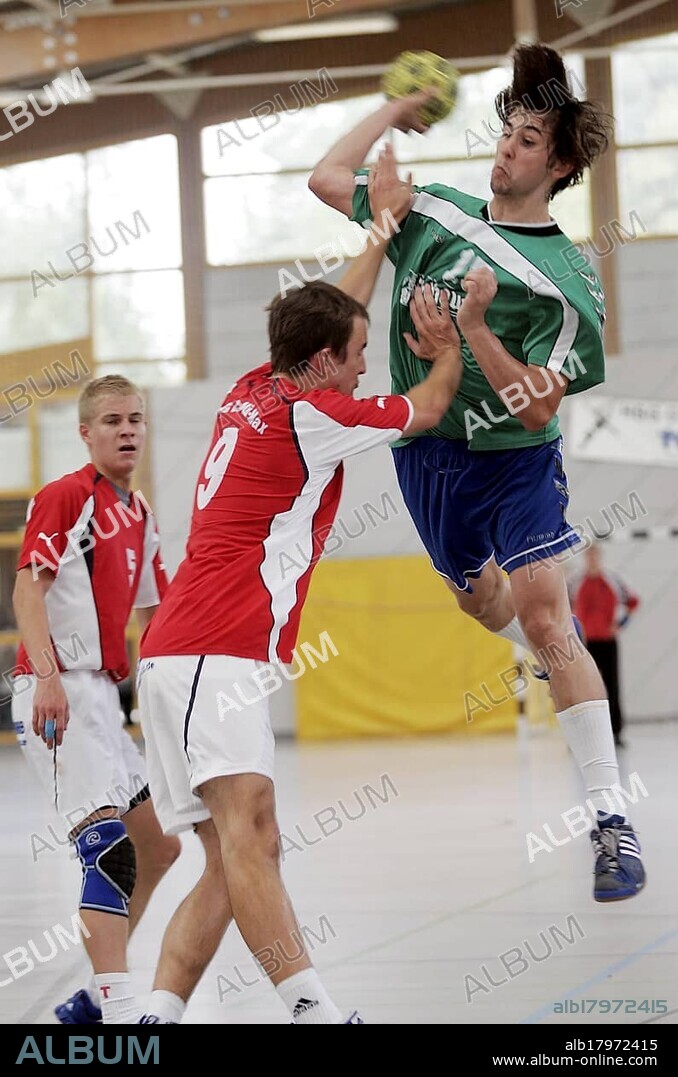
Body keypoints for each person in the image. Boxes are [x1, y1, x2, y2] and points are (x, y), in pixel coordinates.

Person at [308, 43, 646, 902]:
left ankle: (610, 818)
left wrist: (473, 339)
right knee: (476, 599)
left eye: (530, 140)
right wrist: (395, 112)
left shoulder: (569, 279)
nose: (508, 149)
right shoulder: (434, 211)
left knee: (545, 607)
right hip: (430, 456)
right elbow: (325, 175)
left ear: (560, 163)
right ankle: (539, 653)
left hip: (516, 463)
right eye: (508, 133)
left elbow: (538, 408)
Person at [134, 152, 462, 1025]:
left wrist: (382, 231)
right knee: (252, 840)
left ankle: (154, 1017)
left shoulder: (258, 386)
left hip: (186, 652)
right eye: (356, 357)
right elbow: (426, 407)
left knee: (234, 852)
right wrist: (450, 345)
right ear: (323, 362)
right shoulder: (317, 412)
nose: (364, 366)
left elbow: (335, 314)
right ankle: (315, 1010)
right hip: (216, 647)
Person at [11, 375, 181, 1024]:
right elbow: (28, 590)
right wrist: (48, 675)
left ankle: (88, 997)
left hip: (105, 701)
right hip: (55, 692)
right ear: (86, 433)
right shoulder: (64, 497)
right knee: (108, 848)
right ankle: (118, 1007)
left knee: (158, 846)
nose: (128, 429)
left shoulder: (139, 517)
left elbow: (153, 619)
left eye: (135, 418)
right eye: (112, 420)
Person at [568, 544, 640, 748]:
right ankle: (582, 735)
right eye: (588, 557)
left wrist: (621, 624)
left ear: (599, 558)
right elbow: (561, 605)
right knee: (582, 689)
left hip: (607, 641)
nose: (592, 561)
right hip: (584, 643)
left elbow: (633, 601)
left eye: (595, 557)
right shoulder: (574, 581)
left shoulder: (612, 580)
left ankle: (615, 732)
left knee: (611, 687)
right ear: (585, 559)